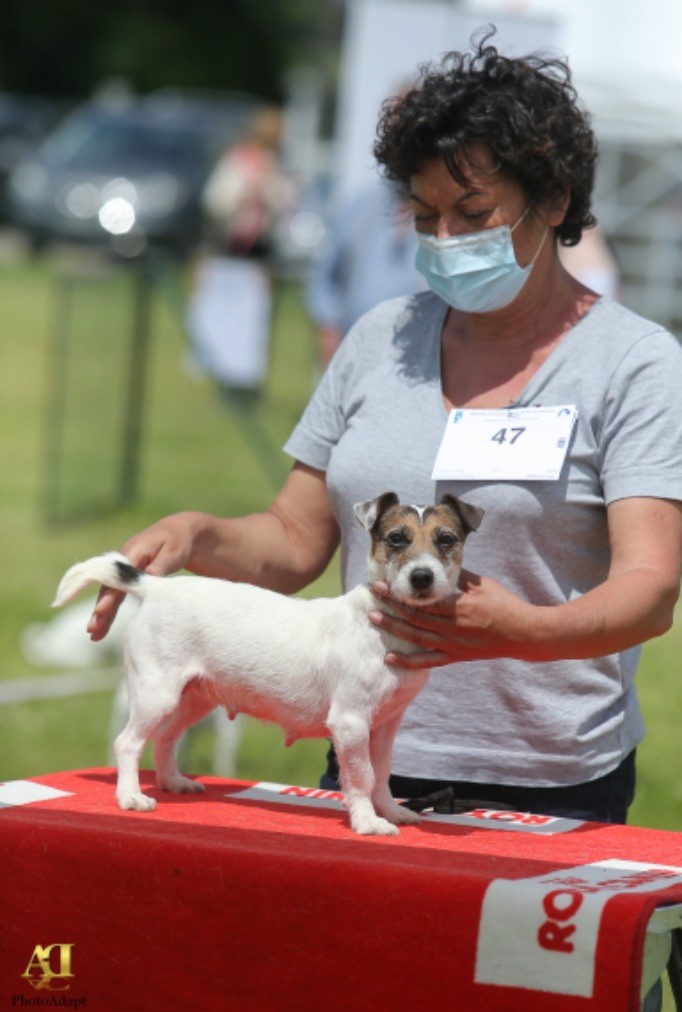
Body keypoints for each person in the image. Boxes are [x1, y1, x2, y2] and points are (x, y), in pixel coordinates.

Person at [90, 32, 682, 830]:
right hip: (364, 750)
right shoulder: (380, 338)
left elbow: (649, 592)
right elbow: (294, 539)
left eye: (473, 213)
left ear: (554, 200)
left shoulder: (636, 363)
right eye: (425, 214)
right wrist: (196, 534)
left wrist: (520, 633)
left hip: (545, 782)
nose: (444, 240)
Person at [186, 106, 296, 396]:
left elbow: (286, 201)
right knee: (226, 313)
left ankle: (248, 379)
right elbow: (216, 200)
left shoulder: (278, 165)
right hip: (229, 249)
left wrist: (268, 194)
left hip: (259, 252)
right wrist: (244, 194)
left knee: (254, 316)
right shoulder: (237, 161)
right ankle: (223, 373)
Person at [305, 179, 426, 366]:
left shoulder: (441, 212)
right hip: (355, 347)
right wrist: (328, 331)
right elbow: (325, 276)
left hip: (419, 354)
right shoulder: (362, 205)